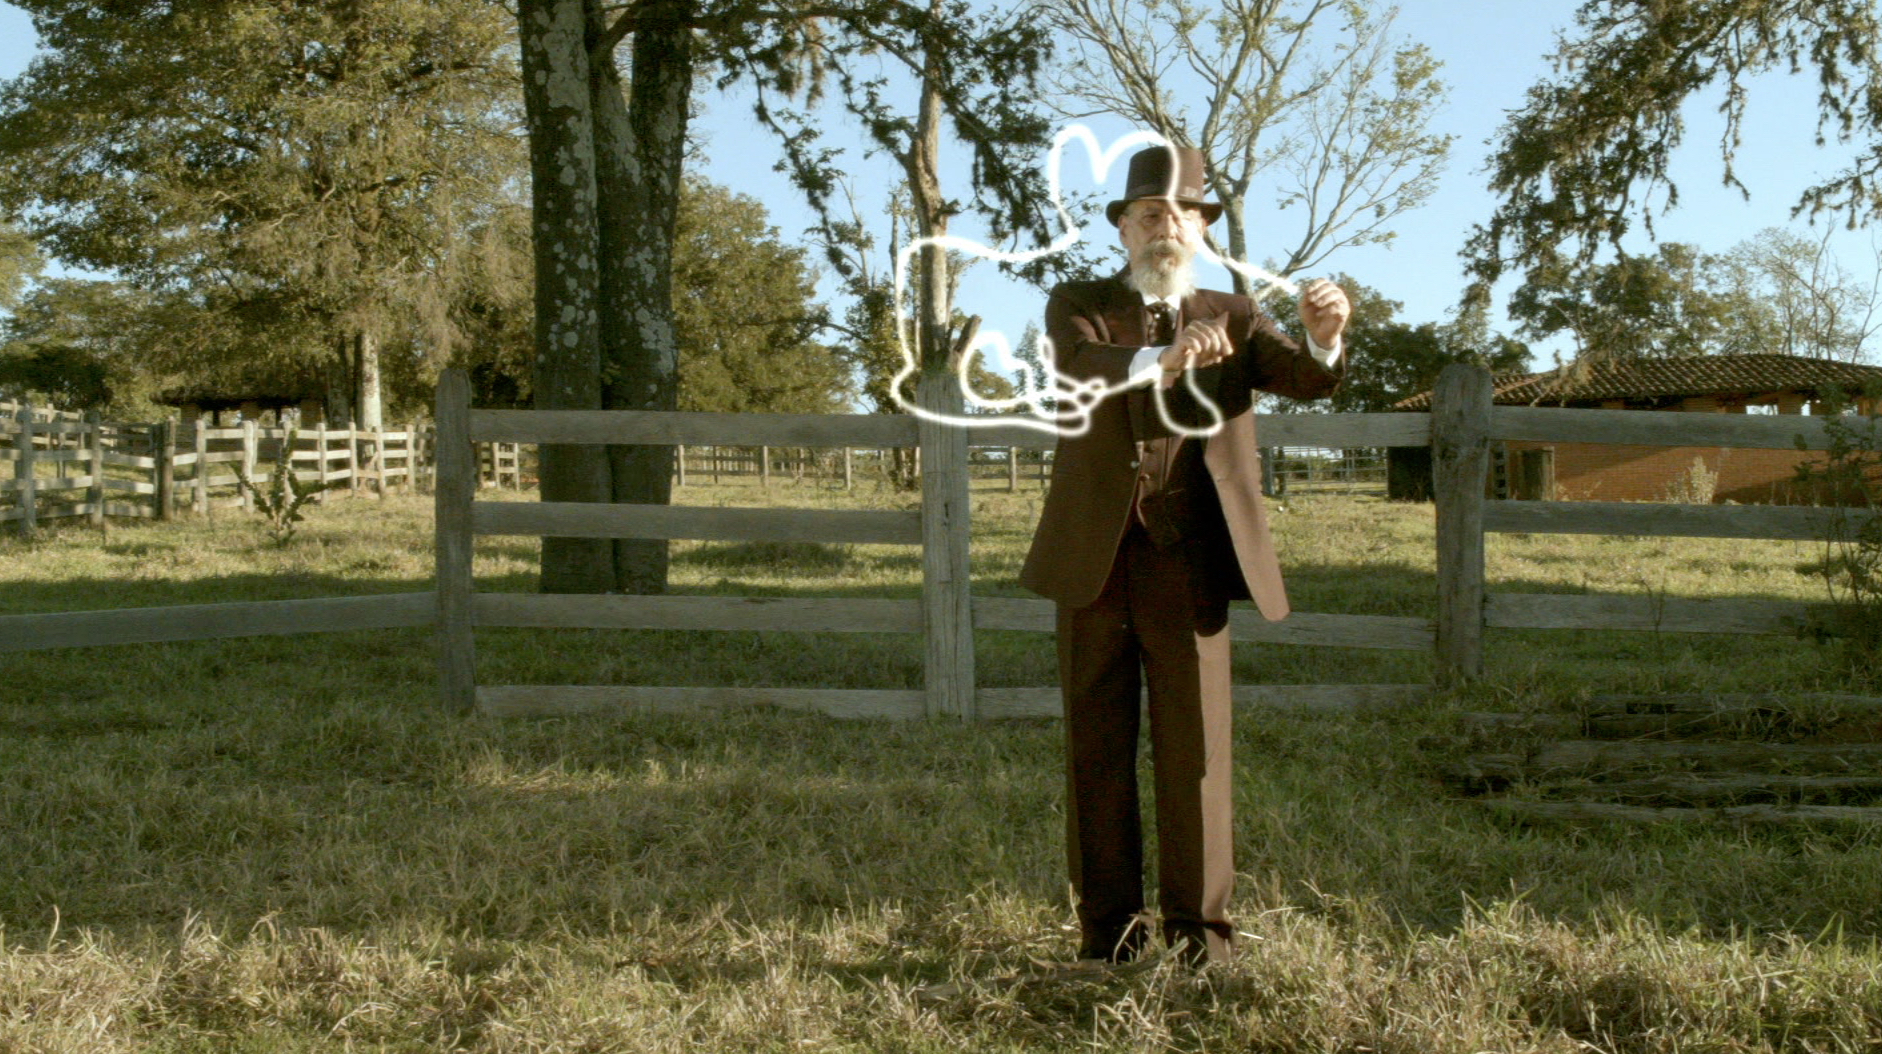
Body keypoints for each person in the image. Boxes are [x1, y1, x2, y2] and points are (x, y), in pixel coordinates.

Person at [1019, 144, 1350, 966]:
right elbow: (1076, 365)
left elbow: (1304, 380)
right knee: (1095, 753)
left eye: (1179, 214)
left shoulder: (1236, 316)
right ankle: (1108, 939)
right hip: (1094, 564)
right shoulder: (1080, 305)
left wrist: (1324, 338)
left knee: (1195, 758)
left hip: (1189, 561)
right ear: (1124, 229)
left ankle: (1203, 942)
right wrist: (1159, 358)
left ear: (1201, 228)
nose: (1164, 226)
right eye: (1147, 214)